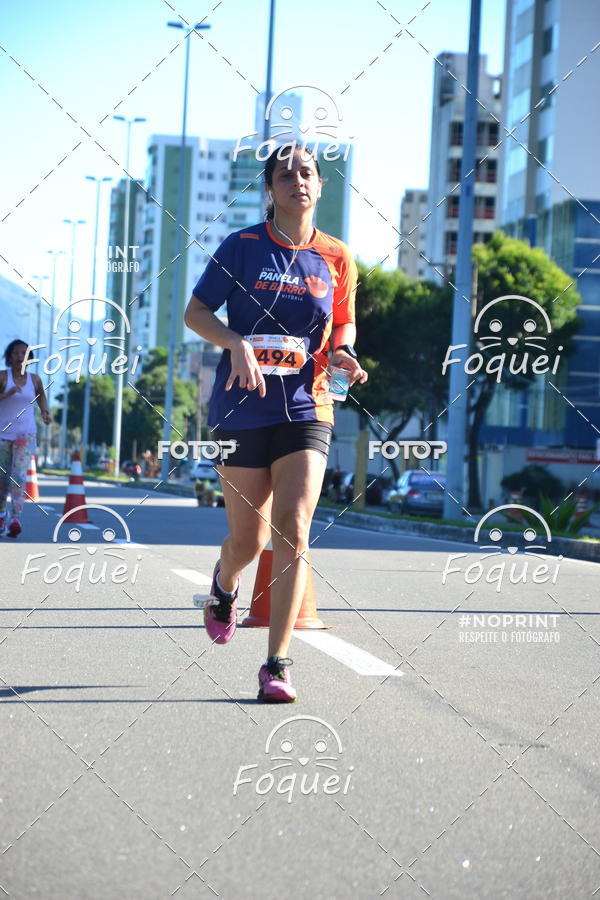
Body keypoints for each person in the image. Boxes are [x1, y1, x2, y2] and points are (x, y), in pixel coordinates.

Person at [184, 143, 368, 703]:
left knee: (293, 524)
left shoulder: (337, 256)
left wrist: (342, 353)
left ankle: (277, 664)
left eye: (307, 172)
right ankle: (225, 583)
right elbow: (195, 314)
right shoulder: (240, 247)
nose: (297, 181)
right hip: (242, 405)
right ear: (270, 187)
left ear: (320, 185)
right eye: (285, 174)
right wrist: (235, 342)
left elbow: (344, 324)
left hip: (309, 404)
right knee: (249, 538)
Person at [0, 339, 51, 537]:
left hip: (25, 435)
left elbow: (41, 397)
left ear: (29, 358)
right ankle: (2, 515)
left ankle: (15, 519)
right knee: (2, 480)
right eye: (16, 353)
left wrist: (45, 412)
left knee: (19, 477)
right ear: (9, 357)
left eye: (24, 353)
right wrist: (7, 394)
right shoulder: (3, 377)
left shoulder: (35, 379)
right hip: (3, 435)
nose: (20, 357)